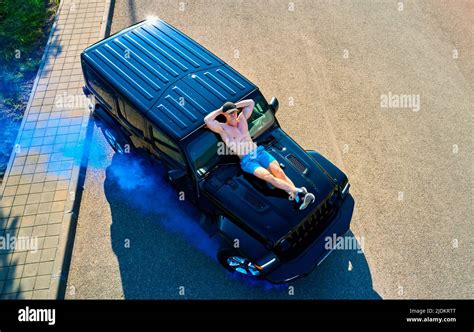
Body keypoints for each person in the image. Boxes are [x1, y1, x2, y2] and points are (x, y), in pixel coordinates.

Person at [204, 99, 315, 210]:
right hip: (248, 161)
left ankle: (298, 197)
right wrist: (222, 109)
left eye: (234, 111)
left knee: (279, 172)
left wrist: (234, 106)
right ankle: (299, 191)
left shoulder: (242, 118)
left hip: (259, 152)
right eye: (230, 113)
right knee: (267, 176)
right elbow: (207, 120)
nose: (233, 114)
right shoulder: (223, 129)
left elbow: (251, 102)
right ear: (225, 115)